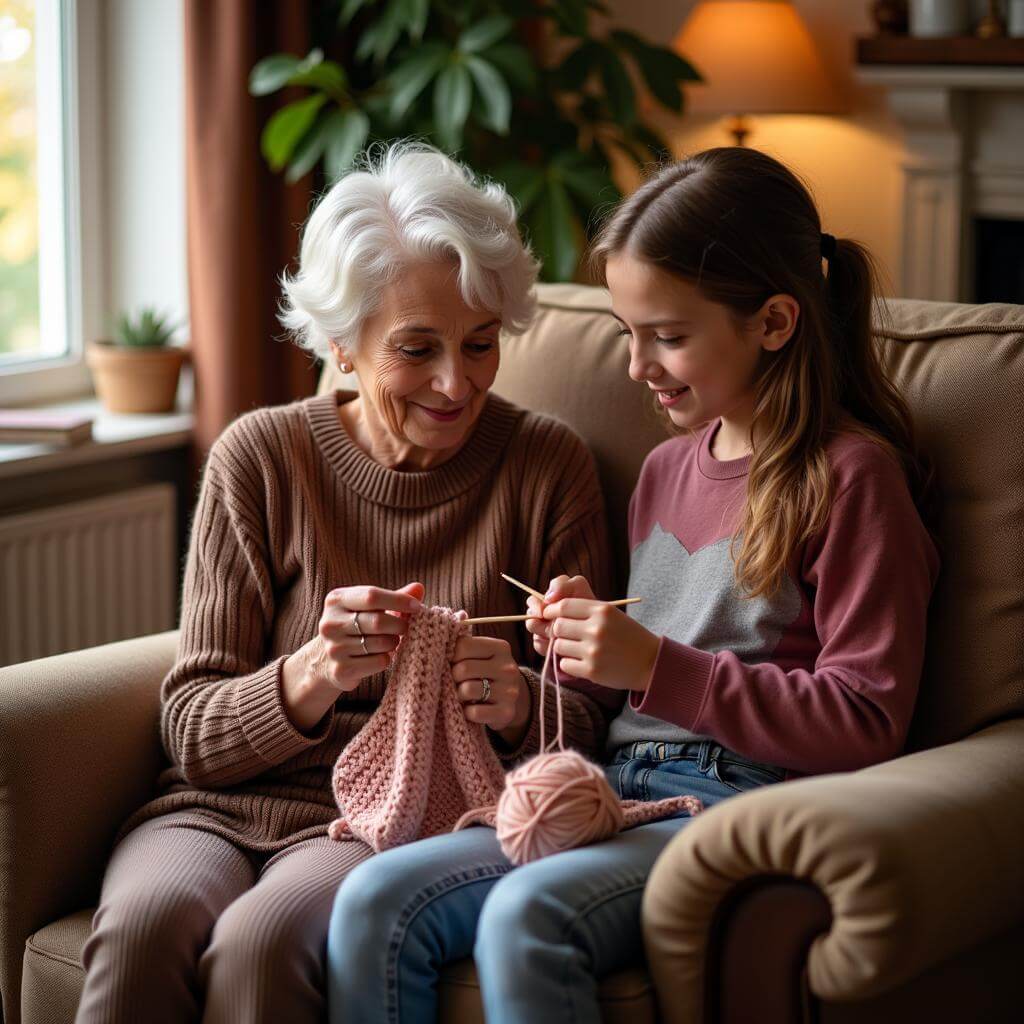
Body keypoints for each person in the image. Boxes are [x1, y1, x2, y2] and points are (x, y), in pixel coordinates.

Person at [325, 146, 941, 1024]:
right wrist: (572, 653)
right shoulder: (661, 472)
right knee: (372, 899)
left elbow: (869, 721)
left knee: (528, 918)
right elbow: (614, 700)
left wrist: (654, 664)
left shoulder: (851, 479)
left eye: (670, 336)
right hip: (610, 786)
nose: (637, 365)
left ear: (773, 322)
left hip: (741, 804)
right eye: (627, 333)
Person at [73, 143, 613, 1024]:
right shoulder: (260, 457)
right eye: (416, 349)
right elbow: (190, 731)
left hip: (386, 819)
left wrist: (519, 703)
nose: (456, 382)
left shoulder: (548, 466)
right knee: (141, 927)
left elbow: (594, 728)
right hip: (211, 807)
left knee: (262, 943)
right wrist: (311, 676)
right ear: (340, 345)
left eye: (480, 344)